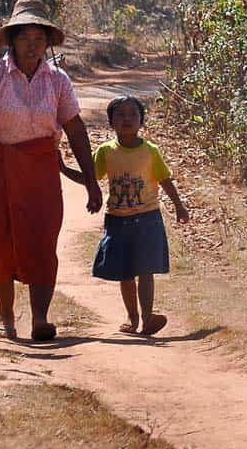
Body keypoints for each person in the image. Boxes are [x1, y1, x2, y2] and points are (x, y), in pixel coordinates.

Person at [0, 0, 102, 342]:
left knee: (42, 239)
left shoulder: (57, 81)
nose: (32, 46)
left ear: (47, 43)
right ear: (11, 40)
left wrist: (91, 181)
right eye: (24, 38)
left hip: (41, 170)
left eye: (38, 39)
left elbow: (75, 129)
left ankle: (40, 318)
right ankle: (6, 319)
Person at [66, 95, 188, 336]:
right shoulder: (106, 151)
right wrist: (62, 168)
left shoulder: (150, 151)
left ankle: (148, 317)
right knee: (125, 273)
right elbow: (89, 178)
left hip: (147, 219)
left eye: (133, 114)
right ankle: (132, 319)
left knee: (146, 270)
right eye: (120, 115)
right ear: (111, 121)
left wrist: (178, 206)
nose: (127, 119)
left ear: (141, 120)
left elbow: (165, 180)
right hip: (117, 220)